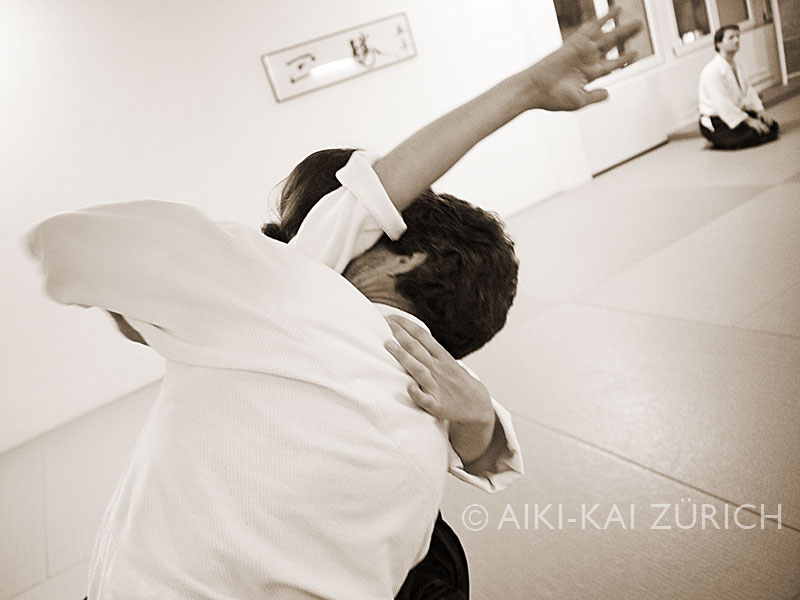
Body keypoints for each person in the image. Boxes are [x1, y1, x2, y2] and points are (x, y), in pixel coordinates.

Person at [30, 8, 641, 598]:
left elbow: (67, 246)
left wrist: (145, 307)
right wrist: (478, 420)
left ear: (399, 256)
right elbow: (487, 455)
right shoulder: (435, 397)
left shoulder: (288, 288)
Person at [698, 24, 779, 149]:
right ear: (719, 44)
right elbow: (722, 103)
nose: (736, 40)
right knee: (752, 134)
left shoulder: (739, 66)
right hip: (716, 120)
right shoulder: (711, 71)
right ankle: (714, 139)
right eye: (731, 37)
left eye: (738, 36)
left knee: (772, 126)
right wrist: (749, 120)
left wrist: (760, 110)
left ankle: (725, 138)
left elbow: (749, 92)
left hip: (736, 113)